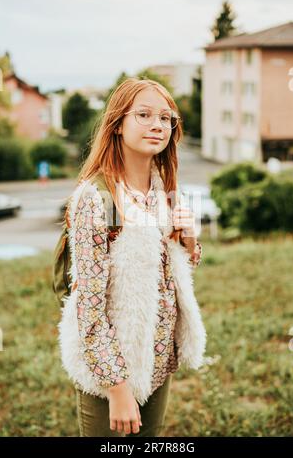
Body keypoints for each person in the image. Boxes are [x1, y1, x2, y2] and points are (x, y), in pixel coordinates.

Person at [57, 77, 207, 437]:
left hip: (157, 362)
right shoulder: (97, 199)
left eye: (166, 118)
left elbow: (167, 272)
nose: (158, 124)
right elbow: (88, 310)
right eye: (144, 114)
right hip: (111, 369)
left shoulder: (162, 190)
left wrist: (189, 243)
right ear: (118, 124)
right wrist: (118, 389)